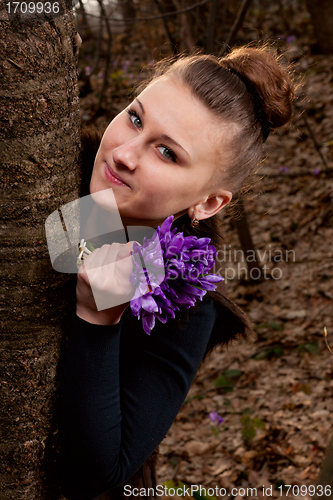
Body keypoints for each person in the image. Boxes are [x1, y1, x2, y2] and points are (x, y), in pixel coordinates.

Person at [59, 44, 294, 500]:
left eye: (166, 152)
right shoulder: (38, 177)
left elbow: (102, 473)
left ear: (207, 203)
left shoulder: (186, 310)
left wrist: (98, 317)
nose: (125, 154)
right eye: (135, 118)